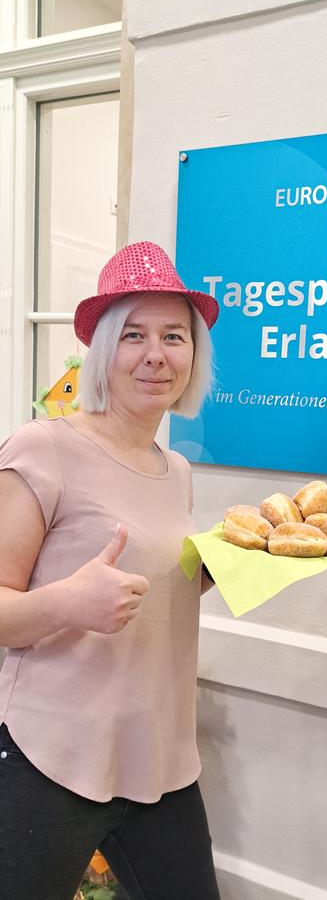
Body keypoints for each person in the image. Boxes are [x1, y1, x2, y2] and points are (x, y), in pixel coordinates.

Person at [0, 241, 221, 900]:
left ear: (193, 354)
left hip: (160, 760)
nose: (156, 354)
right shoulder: (44, 447)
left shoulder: (175, 469)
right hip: (51, 758)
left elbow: (147, 583)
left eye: (174, 336)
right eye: (133, 335)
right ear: (102, 350)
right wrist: (67, 604)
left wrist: (212, 571)